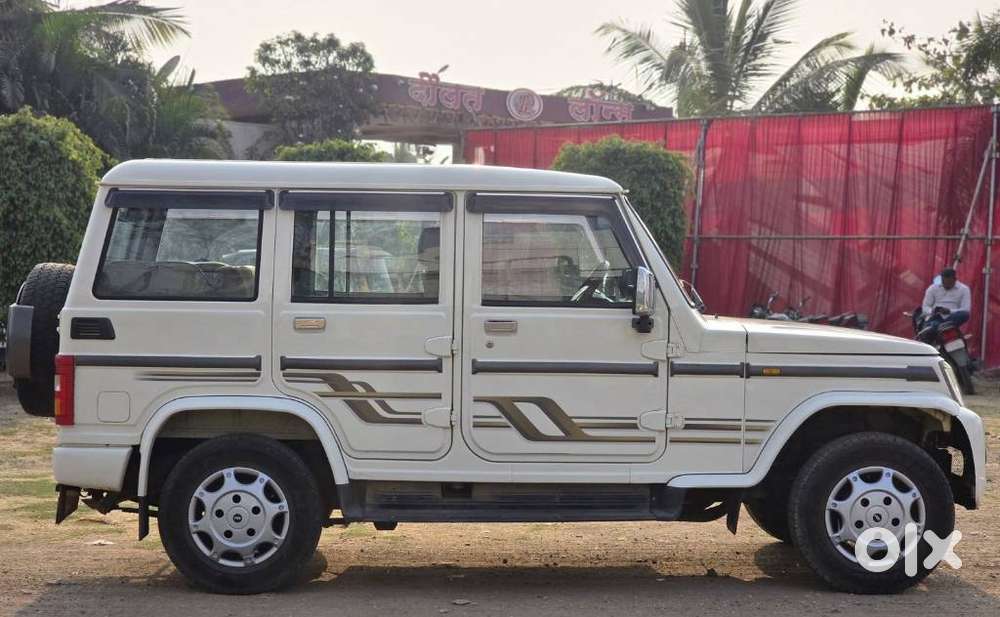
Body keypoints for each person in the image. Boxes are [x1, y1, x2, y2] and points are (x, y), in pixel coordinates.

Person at [920, 267, 971, 334]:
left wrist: (949, 311)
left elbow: (966, 309)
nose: (946, 285)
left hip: (952, 317)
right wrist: (933, 311)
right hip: (936, 317)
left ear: (955, 279)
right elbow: (925, 307)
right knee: (933, 324)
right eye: (943, 282)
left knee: (965, 314)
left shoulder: (964, 289)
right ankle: (939, 327)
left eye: (949, 283)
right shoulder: (933, 288)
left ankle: (939, 327)